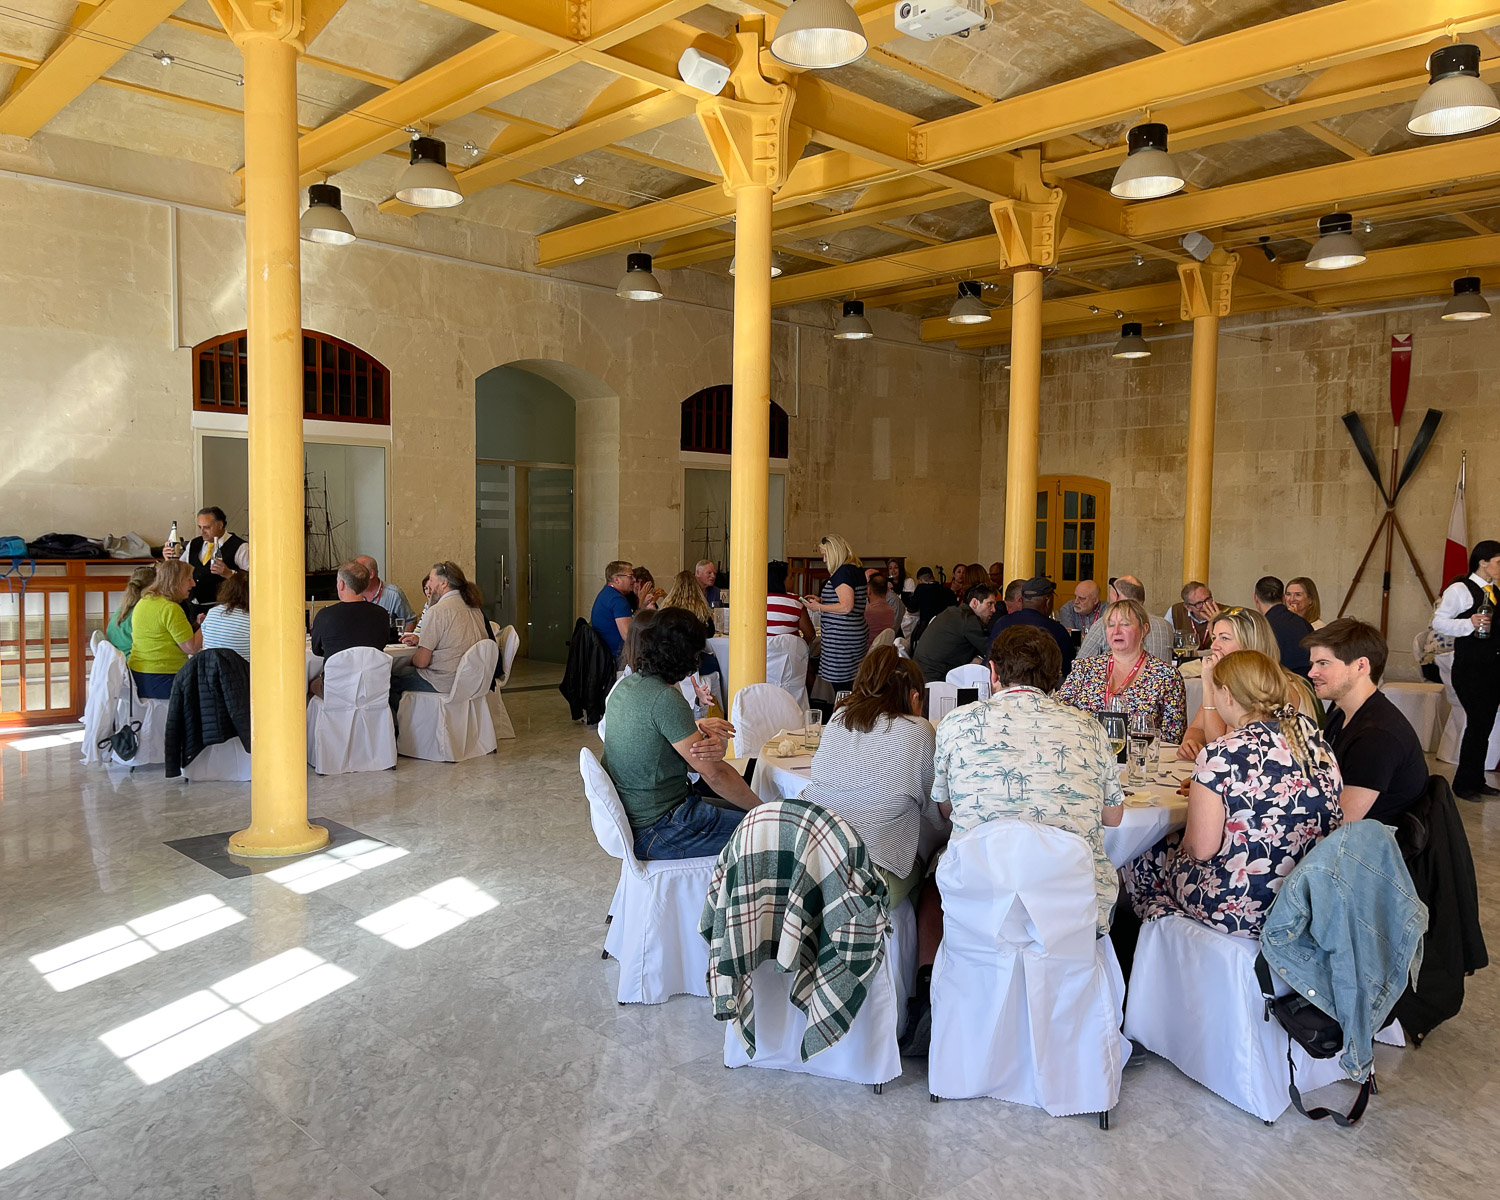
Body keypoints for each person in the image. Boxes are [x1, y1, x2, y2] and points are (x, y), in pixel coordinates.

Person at [901, 626, 1125, 1052]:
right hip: (1069, 909)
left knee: (937, 870)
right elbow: (1112, 815)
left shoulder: (956, 724)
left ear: (992, 672)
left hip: (982, 901)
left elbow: (947, 811)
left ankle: (939, 1009)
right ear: (1057, 677)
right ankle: (1095, 1025)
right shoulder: (1090, 728)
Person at [1125, 649, 1343, 939]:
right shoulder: (1312, 739)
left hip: (1242, 907)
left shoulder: (1222, 753)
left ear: (1227, 694)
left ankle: (1143, 949)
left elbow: (1201, 850)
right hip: (1309, 897)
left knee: (1145, 852)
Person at [601, 607, 760, 859]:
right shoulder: (665, 698)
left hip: (639, 819)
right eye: (696, 655)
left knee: (745, 813)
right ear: (685, 656)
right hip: (662, 827)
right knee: (770, 834)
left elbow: (657, 748)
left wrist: (697, 734)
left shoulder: (627, 686)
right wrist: (767, 812)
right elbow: (715, 775)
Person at [799, 647, 948, 911]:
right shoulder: (919, 731)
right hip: (869, 874)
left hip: (813, 857)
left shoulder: (839, 718)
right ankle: (906, 947)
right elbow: (936, 814)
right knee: (932, 872)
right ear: (915, 697)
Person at [1305, 618, 1427, 823]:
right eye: (1312, 664)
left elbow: (1341, 821)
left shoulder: (1377, 736)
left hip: (1368, 848)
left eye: (1323, 663)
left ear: (1361, 666)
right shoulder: (1342, 713)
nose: (1311, 673)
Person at [1176, 606, 1320, 760]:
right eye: (1214, 637)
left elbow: (1223, 745)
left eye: (1224, 638)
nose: (1214, 646)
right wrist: (1191, 743)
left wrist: (1209, 685)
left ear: (1250, 643)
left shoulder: (1275, 684)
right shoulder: (1232, 680)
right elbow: (1197, 728)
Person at [1056, 598, 1186, 744]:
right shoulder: (1085, 669)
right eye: (1111, 625)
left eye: (1125, 624)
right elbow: (1058, 713)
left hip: (1140, 760)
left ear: (1144, 629)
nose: (1116, 631)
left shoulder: (1166, 676)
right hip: (1086, 757)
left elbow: (1173, 737)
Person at [1432, 539, 1500, 800]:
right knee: (1477, 724)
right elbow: (1439, 623)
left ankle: (1477, 779)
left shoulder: (1495, 591)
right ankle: (1463, 784)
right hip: (1471, 669)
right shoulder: (1460, 589)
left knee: (1484, 726)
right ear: (1483, 562)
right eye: (1498, 562)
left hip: (1492, 669)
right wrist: (1469, 623)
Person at [391, 561, 489, 710]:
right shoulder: (475, 608)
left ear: (443, 583)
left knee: (388, 681)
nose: (428, 585)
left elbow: (422, 662)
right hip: (473, 680)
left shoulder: (438, 611)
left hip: (444, 681)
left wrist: (410, 659)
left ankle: (404, 728)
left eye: (431, 579)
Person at [803, 534, 869, 702]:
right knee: (850, 684)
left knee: (844, 686)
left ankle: (848, 720)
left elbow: (847, 606)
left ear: (834, 553)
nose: (824, 560)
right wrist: (823, 600)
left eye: (825, 555)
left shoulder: (843, 572)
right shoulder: (854, 569)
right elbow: (846, 600)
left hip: (842, 640)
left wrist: (819, 607)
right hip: (851, 635)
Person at [163, 506, 250, 623]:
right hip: (193, 608)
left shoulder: (240, 547)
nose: (202, 532)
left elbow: (251, 580)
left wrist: (229, 574)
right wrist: (169, 559)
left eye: (207, 527)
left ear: (220, 525)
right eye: (199, 527)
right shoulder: (194, 543)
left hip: (223, 612)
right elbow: (179, 569)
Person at [126, 561, 200, 698]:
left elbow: (169, 636)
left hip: (139, 676)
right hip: (163, 678)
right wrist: (208, 623)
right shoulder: (170, 608)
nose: (193, 584)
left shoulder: (144, 601)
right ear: (175, 581)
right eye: (189, 579)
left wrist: (197, 625)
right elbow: (191, 648)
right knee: (212, 689)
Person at [988, 576, 1075, 674]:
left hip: (1006, 684)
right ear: (1048, 600)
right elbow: (1069, 669)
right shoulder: (1057, 630)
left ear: (1021, 599)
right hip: (1042, 687)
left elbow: (989, 661)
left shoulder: (1002, 623)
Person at [915, 583, 995, 685]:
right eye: (989, 604)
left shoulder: (953, 612)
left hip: (920, 673)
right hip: (935, 680)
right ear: (974, 603)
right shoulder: (968, 620)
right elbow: (991, 650)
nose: (993, 609)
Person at [1078, 576, 1172, 661]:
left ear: (1116, 597)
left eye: (1125, 624)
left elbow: (1080, 665)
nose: (1116, 630)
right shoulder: (1165, 626)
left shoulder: (1104, 623)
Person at [310, 561, 391, 660]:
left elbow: (316, 650)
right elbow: (382, 644)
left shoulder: (324, 616)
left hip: (337, 674)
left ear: (341, 585)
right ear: (366, 585)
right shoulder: (382, 614)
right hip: (373, 675)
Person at [1253, 575, 1313, 678]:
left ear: (1256, 598)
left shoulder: (1260, 628)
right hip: (1307, 687)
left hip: (1278, 687)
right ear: (1283, 597)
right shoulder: (1304, 624)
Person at [104, 565, 158, 654]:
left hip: (121, 661)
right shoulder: (143, 612)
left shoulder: (122, 609)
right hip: (134, 662)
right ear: (153, 588)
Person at [355, 556, 416, 633]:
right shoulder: (353, 593)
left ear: (371, 574)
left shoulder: (394, 594)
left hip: (388, 642)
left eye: (357, 572)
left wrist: (401, 641)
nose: (353, 576)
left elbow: (410, 622)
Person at [199, 571, 251, 660]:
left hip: (210, 670)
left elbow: (205, 646)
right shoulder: (251, 620)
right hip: (243, 672)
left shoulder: (212, 613)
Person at [590, 560, 635, 659]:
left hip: (603, 654)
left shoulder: (606, 593)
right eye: (630, 576)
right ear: (616, 579)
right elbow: (628, 636)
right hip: (616, 656)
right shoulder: (618, 600)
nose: (634, 580)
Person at [906, 566, 958, 642]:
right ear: (933, 577)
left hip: (927, 630)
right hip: (948, 630)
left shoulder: (921, 589)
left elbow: (911, 609)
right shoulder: (948, 591)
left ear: (920, 581)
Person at [766, 561, 814, 641]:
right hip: (790, 652)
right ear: (781, 581)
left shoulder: (757, 602)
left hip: (763, 652)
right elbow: (810, 634)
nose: (794, 579)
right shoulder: (796, 602)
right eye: (791, 576)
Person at [1167, 580, 1219, 650]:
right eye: (1199, 603)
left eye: (1207, 600)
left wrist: (1218, 621)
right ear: (1188, 607)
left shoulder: (1226, 613)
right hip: (1185, 660)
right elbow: (1166, 643)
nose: (1205, 606)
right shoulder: (1175, 611)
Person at [864, 570, 898, 642]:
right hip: (883, 651)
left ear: (869, 590)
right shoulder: (890, 611)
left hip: (867, 651)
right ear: (887, 590)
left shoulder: (866, 612)